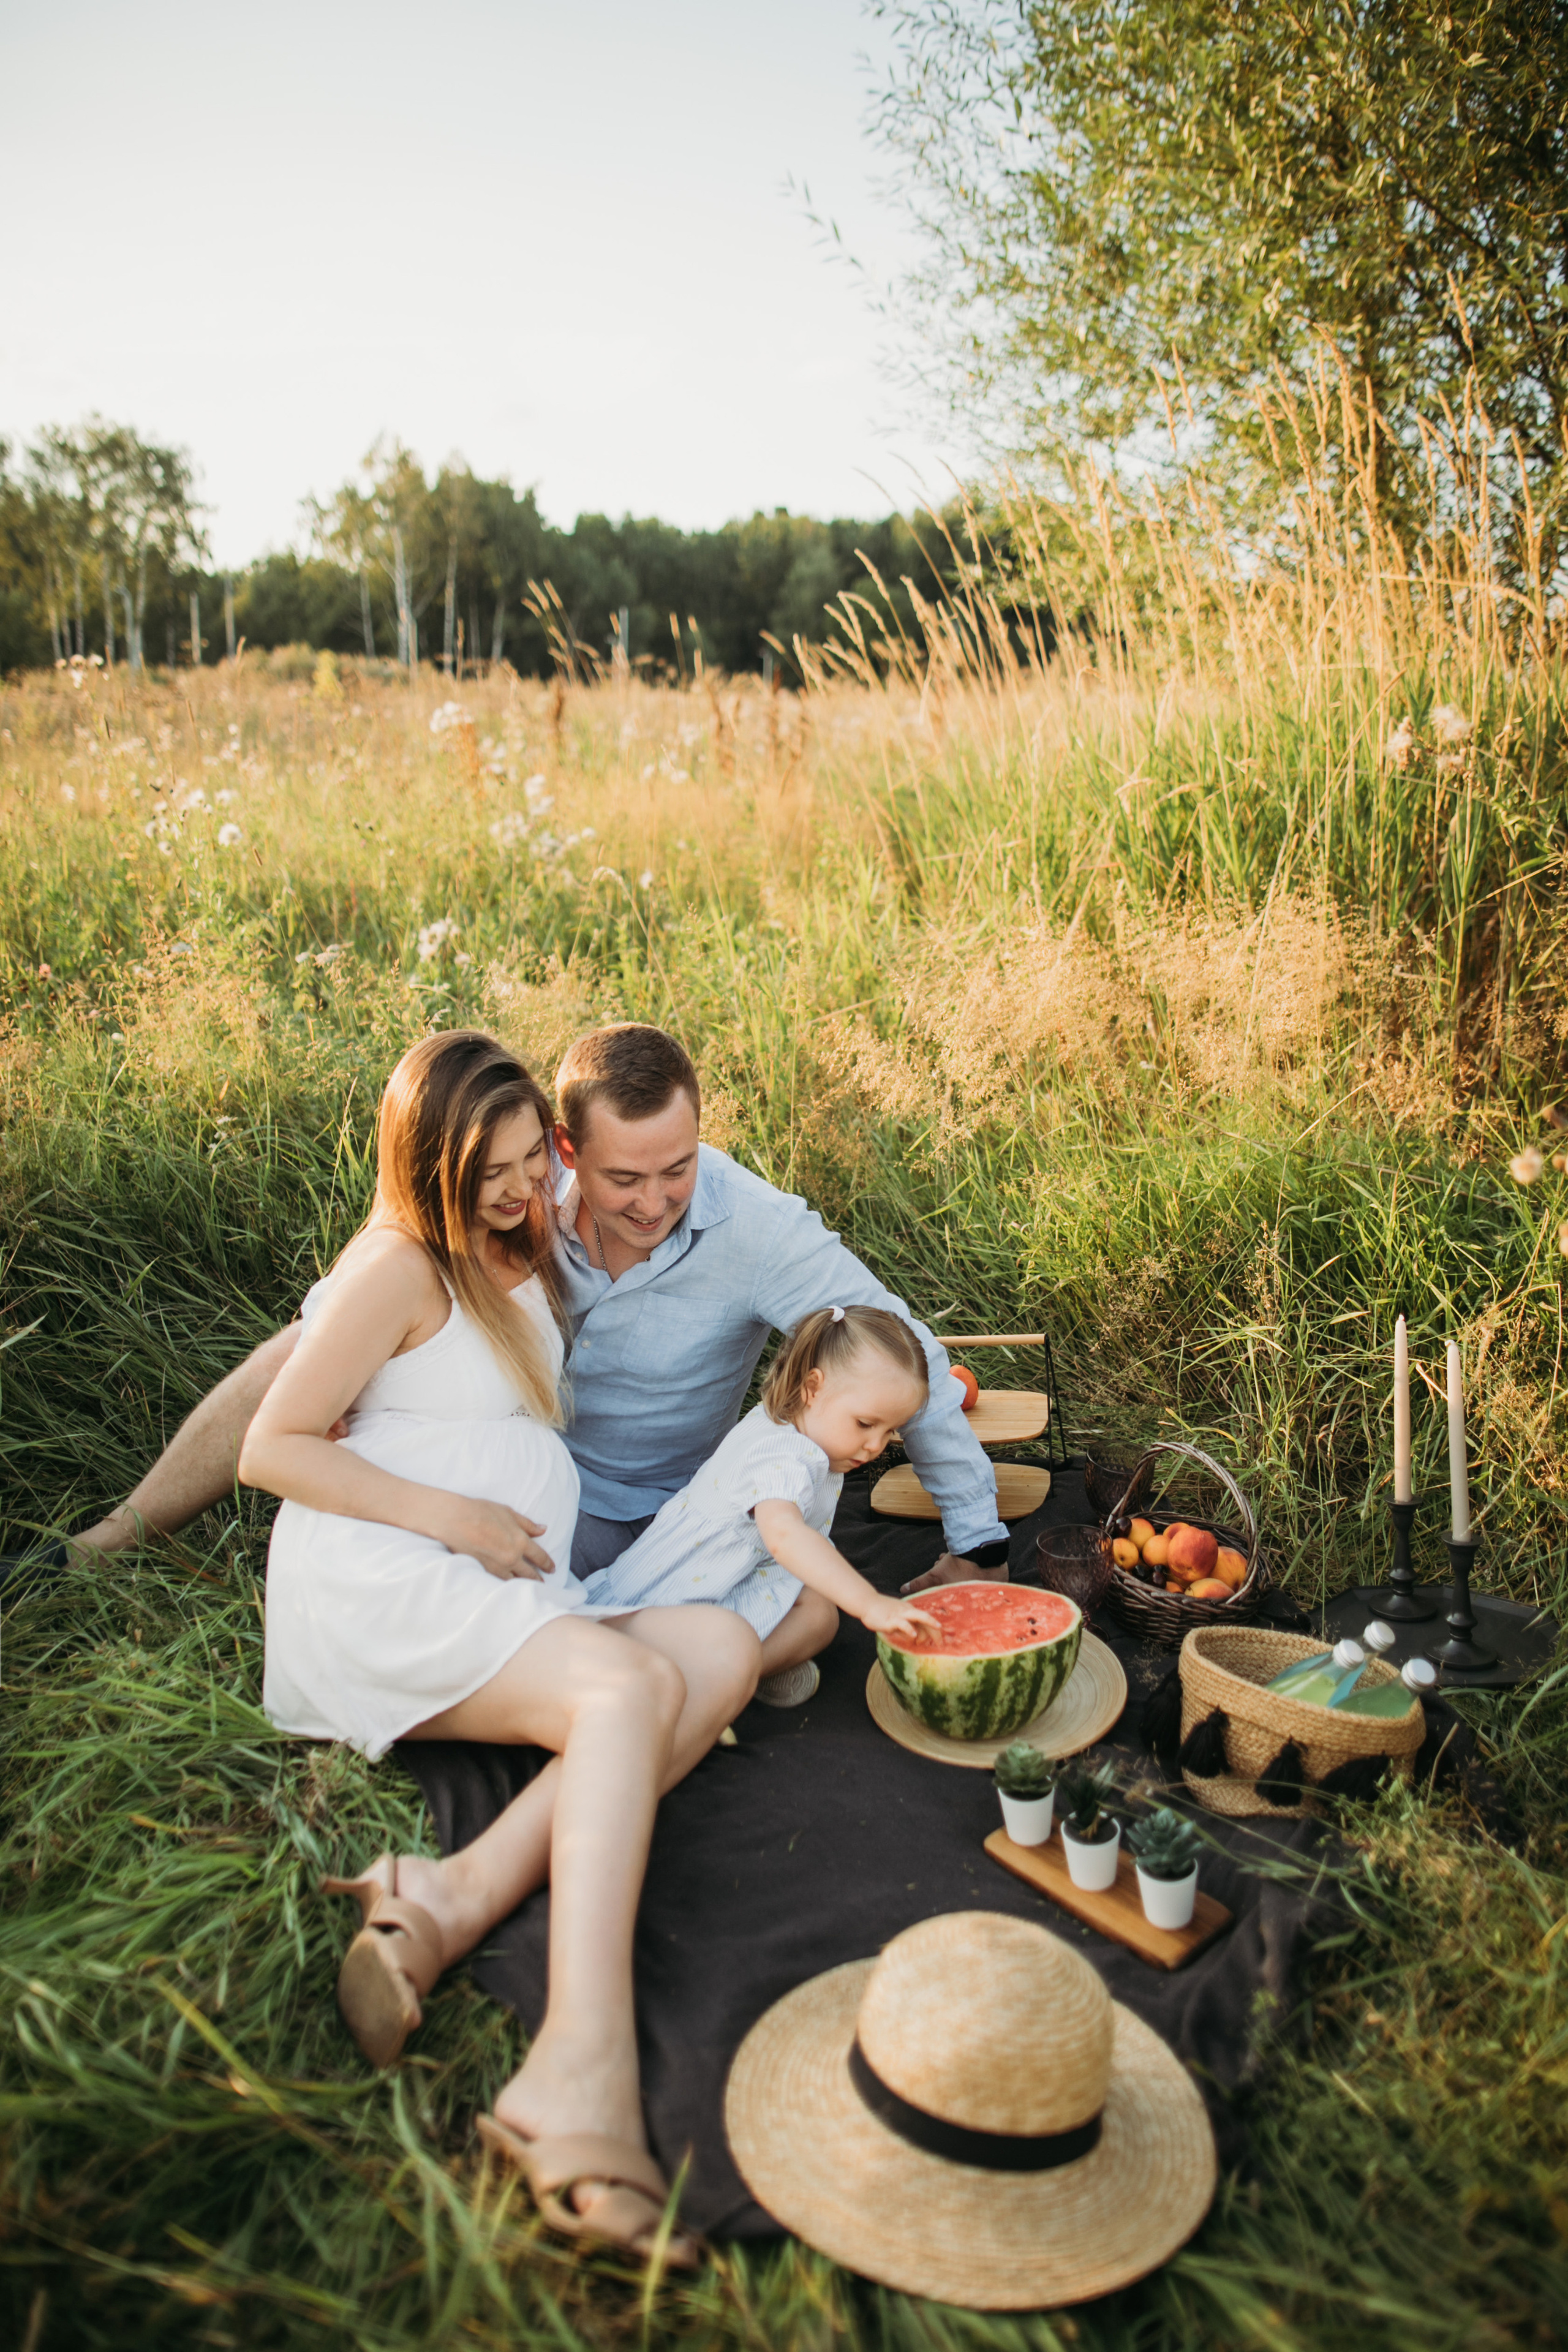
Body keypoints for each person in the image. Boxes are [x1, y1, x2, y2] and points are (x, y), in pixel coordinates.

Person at [239, 1028, 756, 2264]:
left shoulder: (517, 1237)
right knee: (627, 1687)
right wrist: (454, 1517)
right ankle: (580, 2065)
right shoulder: (398, 1266)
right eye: (499, 1174)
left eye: (539, 1157)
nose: (533, 1190)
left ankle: (451, 1895)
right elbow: (275, 1443)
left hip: (499, 1581)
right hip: (390, 1582)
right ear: (428, 1173)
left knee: (724, 1652)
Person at [32, 1023, 1012, 1663]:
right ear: (566, 1148)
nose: (656, 1202)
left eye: (678, 1168)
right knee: (303, 1342)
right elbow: (383, 1264)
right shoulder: (521, 1191)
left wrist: (977, 1537)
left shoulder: (757, 1226)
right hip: (482, 1465)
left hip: (636, 1518)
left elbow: (903, 1347)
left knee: (773, 1631)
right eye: (624, 1178)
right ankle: (114, 1540)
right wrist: (340, 1349)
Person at [582, 1304, 942, 1670]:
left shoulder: (792, 1425)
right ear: (812, 1388)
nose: (876, 1446)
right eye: (865, 1424)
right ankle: (703, 1683)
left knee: (819, 1611)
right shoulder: (780, 1456)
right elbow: (784, 1535)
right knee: (819, 1615)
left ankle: (744, 1673)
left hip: (732, 1575)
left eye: (890, 1431)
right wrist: (870, 1603)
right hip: (670, 1604)